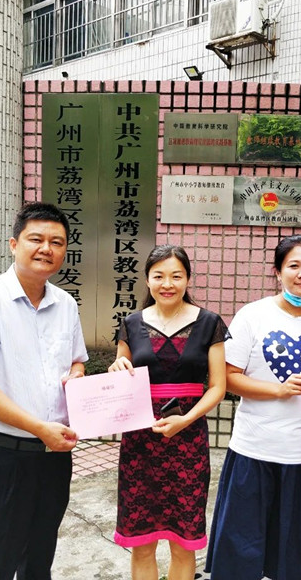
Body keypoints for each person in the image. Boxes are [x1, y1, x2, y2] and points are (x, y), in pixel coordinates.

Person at [0, 202, 88, 580]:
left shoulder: (66, 305)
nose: (46, 248)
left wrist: (77, 377)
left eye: (57, 242)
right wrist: (39, 428)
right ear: (14, 244)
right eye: (36, 239)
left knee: (37, 565)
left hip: (53, 462)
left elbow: (77, 362)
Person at [205, 235, 301, 580]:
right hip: (253, 452)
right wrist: (278, 390)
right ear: (277, 271)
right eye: (293, 265)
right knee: (240, 557)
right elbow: (227, 378)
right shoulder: (252, 315)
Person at [108, 245, 228, 580]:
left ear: (188, 279)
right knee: (141, 543)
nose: (167, 284)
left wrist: (186, 420)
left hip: (188, 442)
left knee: (183, 543)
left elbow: (218, 386)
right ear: (147, 280)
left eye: (176, 276)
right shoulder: (131, 324)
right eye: (159, 276)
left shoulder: (209, 323)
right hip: (140, 442)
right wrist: (116, 368)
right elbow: (122, 373)